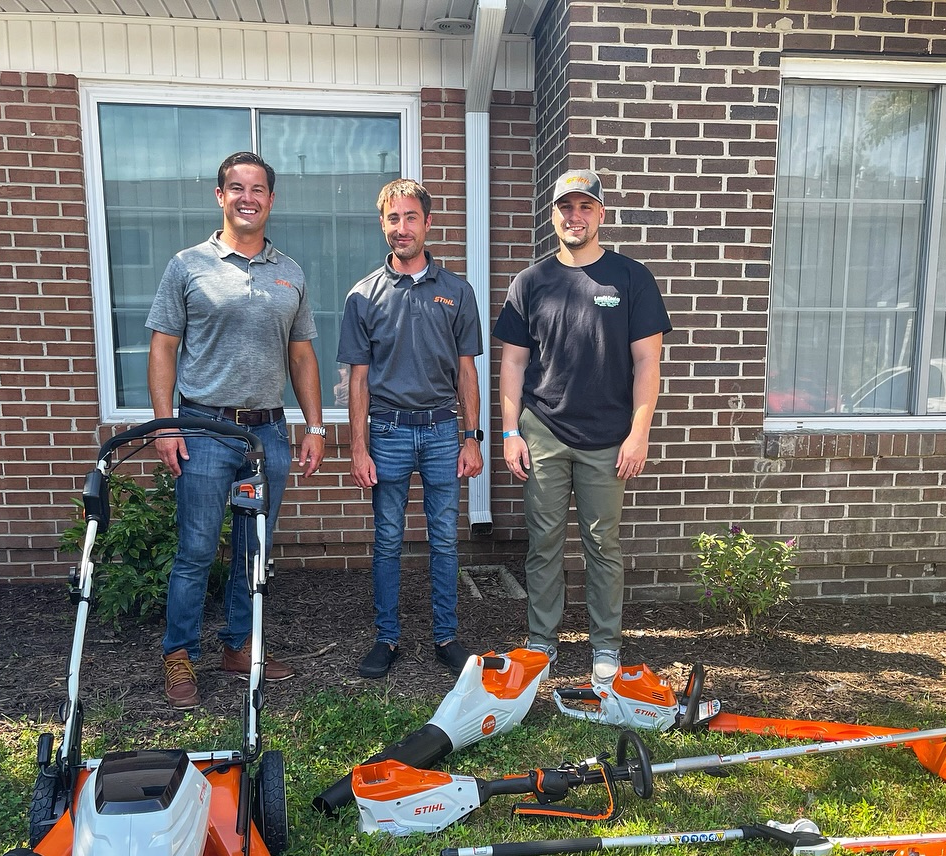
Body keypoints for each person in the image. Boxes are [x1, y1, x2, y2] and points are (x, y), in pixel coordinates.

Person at [146, 150, 327, 709]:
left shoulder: (289, 271)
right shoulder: (187, 266)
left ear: (271, 199)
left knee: (254, 552)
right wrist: (164, 425)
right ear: (220, 196)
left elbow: (301, 356)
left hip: (265, 437)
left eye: (258, 189)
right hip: (201, 430)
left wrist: (314, 426)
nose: (248, 197)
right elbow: (163, 348)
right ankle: (180, 655)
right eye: (236, 187)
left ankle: (239, 647)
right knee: (197, 549)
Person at [492, 168, 671, 684]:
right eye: (565, 207)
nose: (574, 216)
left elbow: (647, 365)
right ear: (554, 215)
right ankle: (542, 645)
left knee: (603, 544)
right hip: (543, 430)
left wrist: (639, 434)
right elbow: (513, 366)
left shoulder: (632, 279)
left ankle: (605, 647)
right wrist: (509, 432)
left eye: (584, 207)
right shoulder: (531, 282)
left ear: (601, 215)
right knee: (543, 542)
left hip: (609, 438)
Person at [339, 179, 484, 678]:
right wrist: (359, 447)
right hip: (389, 433)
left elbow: (467, 371)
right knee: (388, 539)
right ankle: (387, 638)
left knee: (444, 539)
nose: (402, 228)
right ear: (383, 225)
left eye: (410, 217)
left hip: (444, 432)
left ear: (427, 222)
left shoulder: (457, 291)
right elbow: (357, 379)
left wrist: (472, 437)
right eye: (392, 219)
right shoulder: (363, 296)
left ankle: (446, 637)